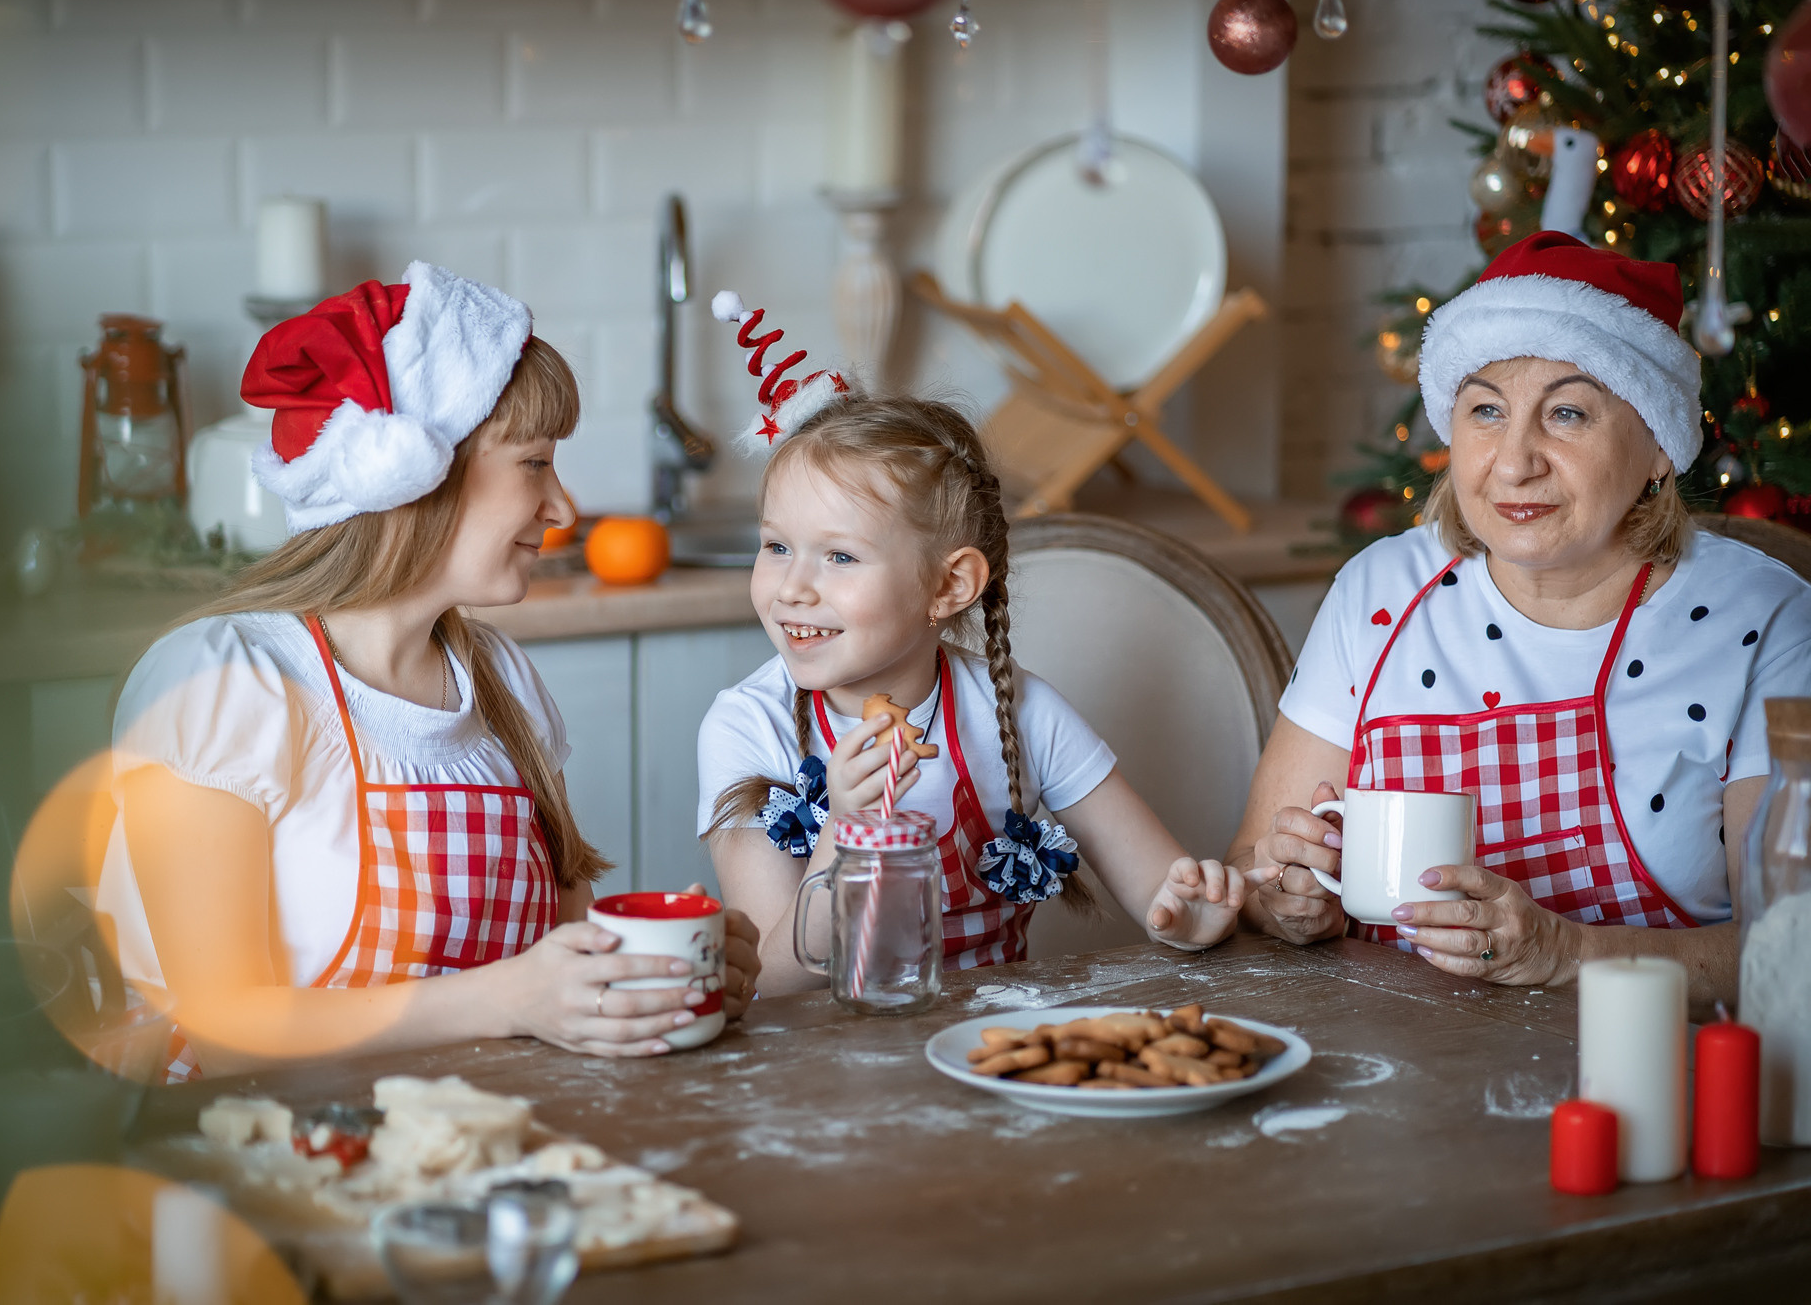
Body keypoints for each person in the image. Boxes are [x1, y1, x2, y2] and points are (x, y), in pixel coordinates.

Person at [98, 263, 758, 1079]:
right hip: (261, 1165)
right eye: (535, 463)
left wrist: (650, 981)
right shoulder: (227, 685)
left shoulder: (503, 685)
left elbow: (555, 964)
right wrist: (509, 999)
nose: (561, 507)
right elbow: (224, 1027)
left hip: (477, 1145)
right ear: (419, 475)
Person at [1230, 232, 1811, 1007]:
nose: (1513, 461)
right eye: (1486, 411)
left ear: (1658, 447)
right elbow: (1251, 868)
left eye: (1567, 412)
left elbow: (1790, 946)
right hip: (1384, 1077)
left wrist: (1569, 952)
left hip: (1648, 1076)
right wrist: (1287, 898)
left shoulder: (1761, 618)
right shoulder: (1380, 591)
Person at [696, 292, 1274, 994]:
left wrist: (1190, 912)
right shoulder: (745, 727)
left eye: (840, 557)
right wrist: (842, 833)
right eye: (776, 546)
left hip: (988, 1057)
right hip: (820, 1072)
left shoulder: (1022, 713)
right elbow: (770, 982)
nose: (792, 587)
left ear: (949, 585)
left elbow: (1158, 886)